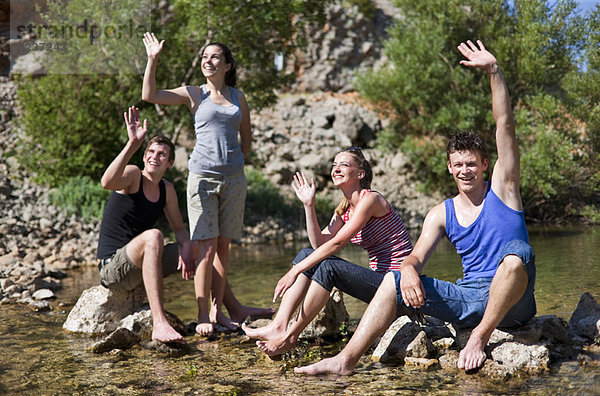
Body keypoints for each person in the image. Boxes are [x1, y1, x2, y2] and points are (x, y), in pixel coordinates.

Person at [295, 40, 536, 375]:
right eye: (458, 165)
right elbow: (415, 257)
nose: (465, 170)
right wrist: (407, 270)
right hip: (469, 297)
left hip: (515, 302)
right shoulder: (440, 213)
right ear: (449, 169)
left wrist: (494, 72)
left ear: (484, 164)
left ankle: (479, 338)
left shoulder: (504, 189)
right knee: (394, 278)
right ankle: (345, 361)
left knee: (516, 254)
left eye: (471, 163)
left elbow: (504, 125)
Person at [141, 32, 273, 336]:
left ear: (227, 65)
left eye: (215, 56)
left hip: (234, 180)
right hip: (202, 178)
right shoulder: (194, 93)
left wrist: (232, 163)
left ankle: (218, 310)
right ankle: (203, 314)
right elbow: (150, 94)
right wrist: (152, 59)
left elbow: (247, 142)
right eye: (204, 57)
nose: (208, 61)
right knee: (207, 247)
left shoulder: (239, 97)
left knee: (223, 247)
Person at [242, 147, 414, 356]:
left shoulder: (371, 200)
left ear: (360, 174)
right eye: (334, 165)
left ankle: (291, 337)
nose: (336, 169)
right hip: (379, 285)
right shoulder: (344, 209)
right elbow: (319, 244)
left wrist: (294, 272)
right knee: (307, 254)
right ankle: (279, 325)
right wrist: (309, 205)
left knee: (329, 267)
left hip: (398, 286)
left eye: (343, 164)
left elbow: (336, 244)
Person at [97, 106, 195, 344]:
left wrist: (186, 247)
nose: (154, 156)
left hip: (141, 264)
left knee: (201, 247)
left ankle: (216, 313)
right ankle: (159, 323)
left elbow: (180, 229)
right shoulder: (132, 175)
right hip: (114, 268)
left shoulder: (167, 190)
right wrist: (133, 143)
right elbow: (106, 182)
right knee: (154, 236)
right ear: (144, 156)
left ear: (170, 163)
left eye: (162, 154)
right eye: (150, 152)